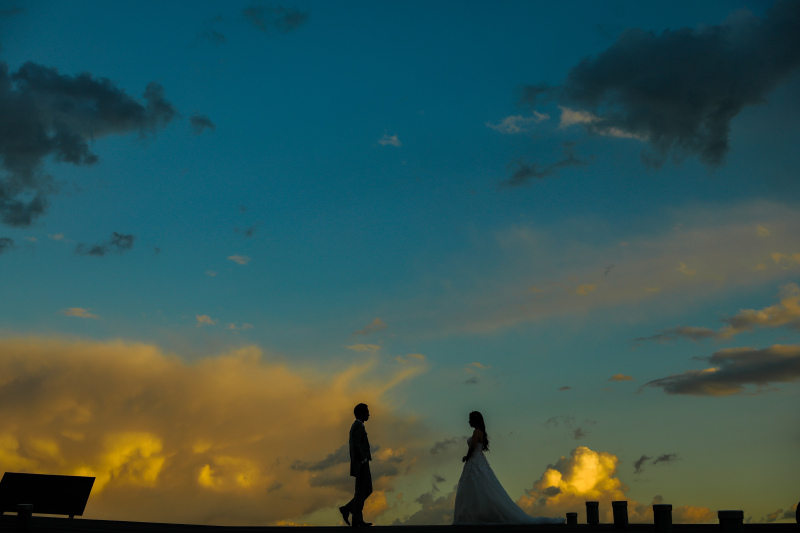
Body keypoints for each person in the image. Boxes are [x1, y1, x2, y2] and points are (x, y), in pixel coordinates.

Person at [453, 411, 564, 525]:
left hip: (475, 461)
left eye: (470, 419)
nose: (468, 422)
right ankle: (475, 515)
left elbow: (473, 446)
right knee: (477, 486)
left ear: (475, 420)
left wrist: (467, 457)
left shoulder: (476, 432)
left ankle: (473, 516)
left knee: (477, 486)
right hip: (477, 461)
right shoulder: (480, 432)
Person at [339, 403, 373, 527]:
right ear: (360, 413)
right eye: (366, 412)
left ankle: (348, 509)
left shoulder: (358, 425)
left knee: (365, 489)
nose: (369, 414)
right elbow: (357, 445)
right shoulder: (358, 426)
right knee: (363, 490)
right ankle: (356, 517)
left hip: (361, 462)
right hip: (361, 463)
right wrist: (363, 459)